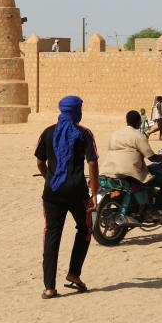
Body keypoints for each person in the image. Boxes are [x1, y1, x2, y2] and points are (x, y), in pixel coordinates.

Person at [34, 96, 99, 299]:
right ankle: (73, 273)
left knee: (52, 236)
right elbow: (93, 163)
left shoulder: (48, 132)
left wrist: (50, 178)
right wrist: (95, 192)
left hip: (52, 192)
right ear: (77, 111)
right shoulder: (84, 133)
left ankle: (49, 287)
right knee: (85, 228)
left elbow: (39, 162)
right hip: (77, 191)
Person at [99, 110, 162, 222]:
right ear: (139, 122)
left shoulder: (115, 134)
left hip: (110, 170)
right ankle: (156, 210)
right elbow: (151, 157)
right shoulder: (138, 135)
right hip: (130, 172)